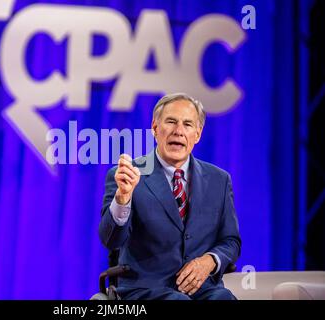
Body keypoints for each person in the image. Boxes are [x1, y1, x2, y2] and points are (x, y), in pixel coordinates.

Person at [99, 93, 241, 300]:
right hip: (145, 290)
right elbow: (110, 240)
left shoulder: (219, 180)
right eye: (171, 122)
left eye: (188, 124)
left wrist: (210, 260)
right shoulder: (127, 176)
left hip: (204, 289)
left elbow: (231, 240)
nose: (179, 131)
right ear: (155, 129)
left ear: (198, 134)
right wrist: (123, 198)